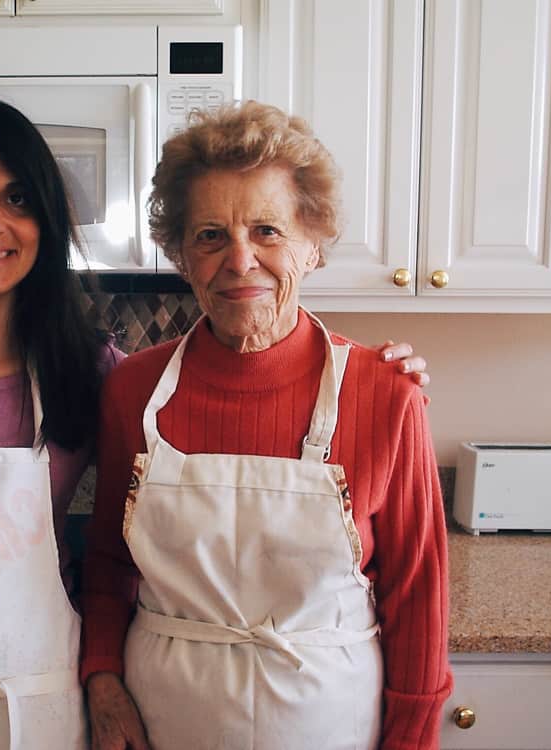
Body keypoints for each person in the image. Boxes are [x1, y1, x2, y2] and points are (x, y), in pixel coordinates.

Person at [0, 97, 430, 750]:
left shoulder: (88, 371)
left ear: (311, 244)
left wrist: (387, 382)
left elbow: (413, 596)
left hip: (35, 714)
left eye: (19, 199)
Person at [81, 101, 452, 750]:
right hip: (165, 723)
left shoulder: (387, 396)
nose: (240, 260)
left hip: (329, 726)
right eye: (210, 235)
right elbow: (109, 564)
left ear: (313, 246)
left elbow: (418, 596)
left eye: (268, 231)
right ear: (180, 254)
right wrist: (102, 683)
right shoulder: (132, 392)